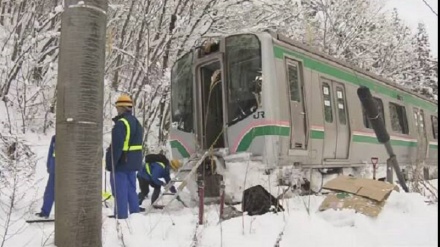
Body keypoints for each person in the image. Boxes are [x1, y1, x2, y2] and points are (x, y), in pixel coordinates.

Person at [105, 94, 143, 219]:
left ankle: (121, 217)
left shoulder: (121, 124)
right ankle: (135, 216)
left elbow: (117, 147)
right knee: (131, 190)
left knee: (119, 191)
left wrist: (111, 164)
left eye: (117, 107)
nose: (117, 110)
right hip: (133, 162)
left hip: (121, 163)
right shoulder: (136, 123)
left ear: (121, 108)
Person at [36, 135, 56, 218]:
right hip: (54, 169)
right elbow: (50, 152)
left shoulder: (72, 136)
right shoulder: (55, 138)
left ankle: (66, 213)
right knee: (49, 192)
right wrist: (49, 165)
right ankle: (45, 212)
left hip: (67, 171)